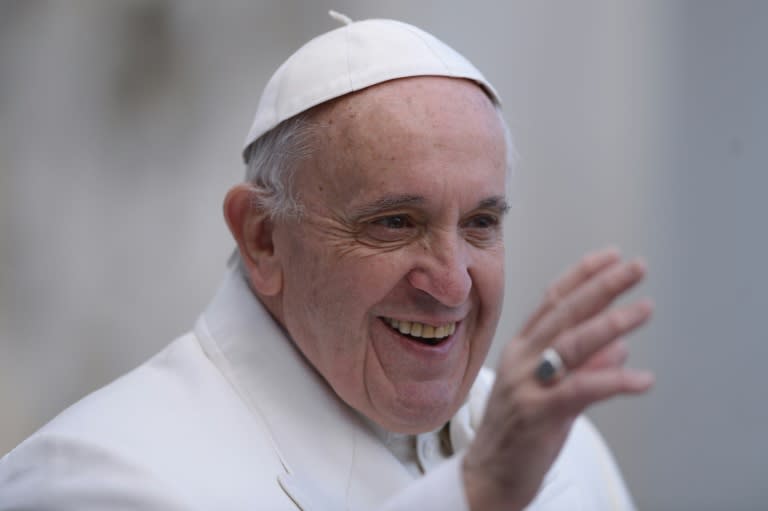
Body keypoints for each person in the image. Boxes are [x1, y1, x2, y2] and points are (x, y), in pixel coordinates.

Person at [0, 13, 654, 510]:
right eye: (395, 222)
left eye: (481, 223)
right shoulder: (97, 475)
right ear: (262, 238)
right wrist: (476, 491)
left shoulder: (555, 447)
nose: (452, 283)